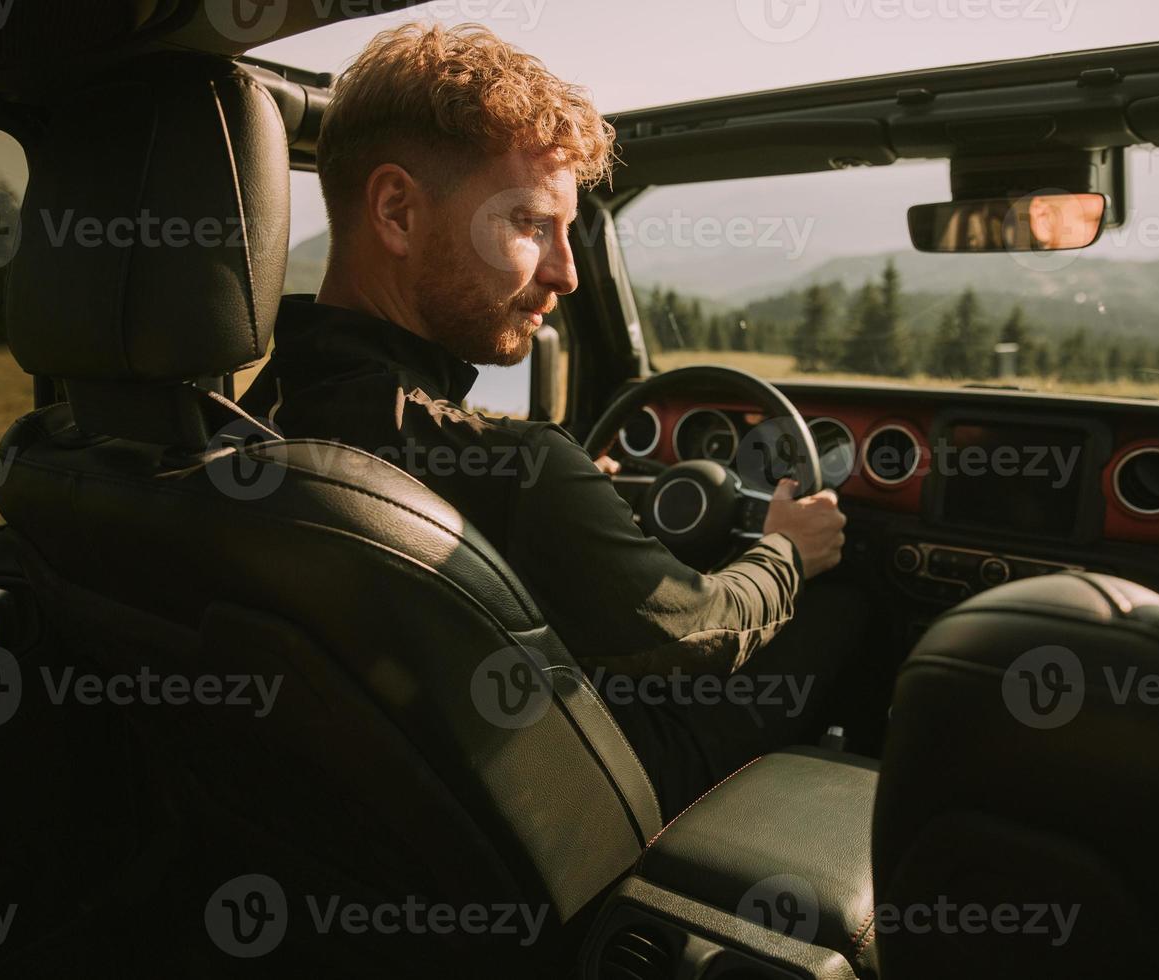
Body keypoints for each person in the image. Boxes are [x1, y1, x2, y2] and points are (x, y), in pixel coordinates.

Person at [240, 22, 864, 819]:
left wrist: (569, 500)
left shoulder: (257, 414)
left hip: (374, 797)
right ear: (397, 211)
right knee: (844, 613)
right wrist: (786, 550)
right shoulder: (519, 472)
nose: (567, 273)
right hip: (568, 802)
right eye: (533, 225)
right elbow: (694, 635)